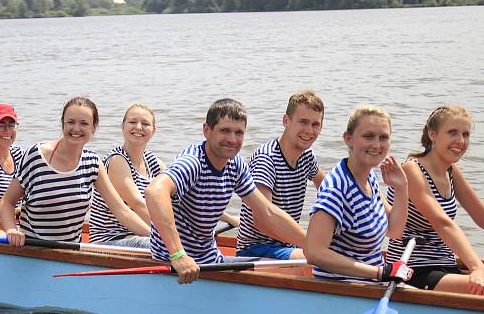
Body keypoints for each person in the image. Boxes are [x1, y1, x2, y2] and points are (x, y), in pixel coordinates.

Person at [146, 98, 307, 284]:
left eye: (239, 133)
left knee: (297, 266)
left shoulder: (235, 164)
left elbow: (268, 211)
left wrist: (312, 246)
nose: (232, 139)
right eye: (225, 131)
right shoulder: (193, 162)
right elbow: (155, 192)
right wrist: (178, 255)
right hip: (175, 265)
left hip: (209, 260)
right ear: (207, 130)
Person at [0, 96, 150, 245]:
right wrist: (11, 230)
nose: (76, 129)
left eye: (84, 123)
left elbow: (122, 212)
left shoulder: (93, 163)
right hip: (33, 249)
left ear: (94, 128)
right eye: (71, 122)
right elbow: (7, 203)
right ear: (63, 124)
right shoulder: (36, 156)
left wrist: (159, 238)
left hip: (70, 251)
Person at [386, 106, 484, 296]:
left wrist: (477, 267)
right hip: (412, 269)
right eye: (452, 132)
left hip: (445, 265)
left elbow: (483, 216)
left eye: (466, 134)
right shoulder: (412, 170)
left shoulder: (451, 171)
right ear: (433, 134)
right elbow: (442, 223)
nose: (460, 141)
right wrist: (478, 268)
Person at [304, 105, 411, 283]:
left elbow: (395, 230)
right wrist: (378, 272)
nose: (377, 145)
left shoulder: (369, 178)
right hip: (343, 292)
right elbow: (314, 252)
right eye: (368, 136)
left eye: (383, 137)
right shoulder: (337, 187)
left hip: (371, 286)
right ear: (348, 139)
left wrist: (402, 188)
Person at [236, 91, 326, 260]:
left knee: (340, 254)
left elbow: (329, 190)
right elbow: (263, 221)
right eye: (303, 122)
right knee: (326, 260)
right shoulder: (266, 160)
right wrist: (313, 244)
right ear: (286, 121)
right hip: (255, 249)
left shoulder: (307, 156)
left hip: (287, 245)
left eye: (315, 124)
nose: (309, 130)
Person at [88, 103, 165, 248]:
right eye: (132, 122)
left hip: (140, 234)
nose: (138, 127)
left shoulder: (153, 162)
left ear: (154, 130)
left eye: (145, 123)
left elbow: (182, 196)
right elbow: (138, 205)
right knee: (171, 248)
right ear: (122, 127)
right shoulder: (117, 160)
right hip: (110, 240)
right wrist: (170, 235)